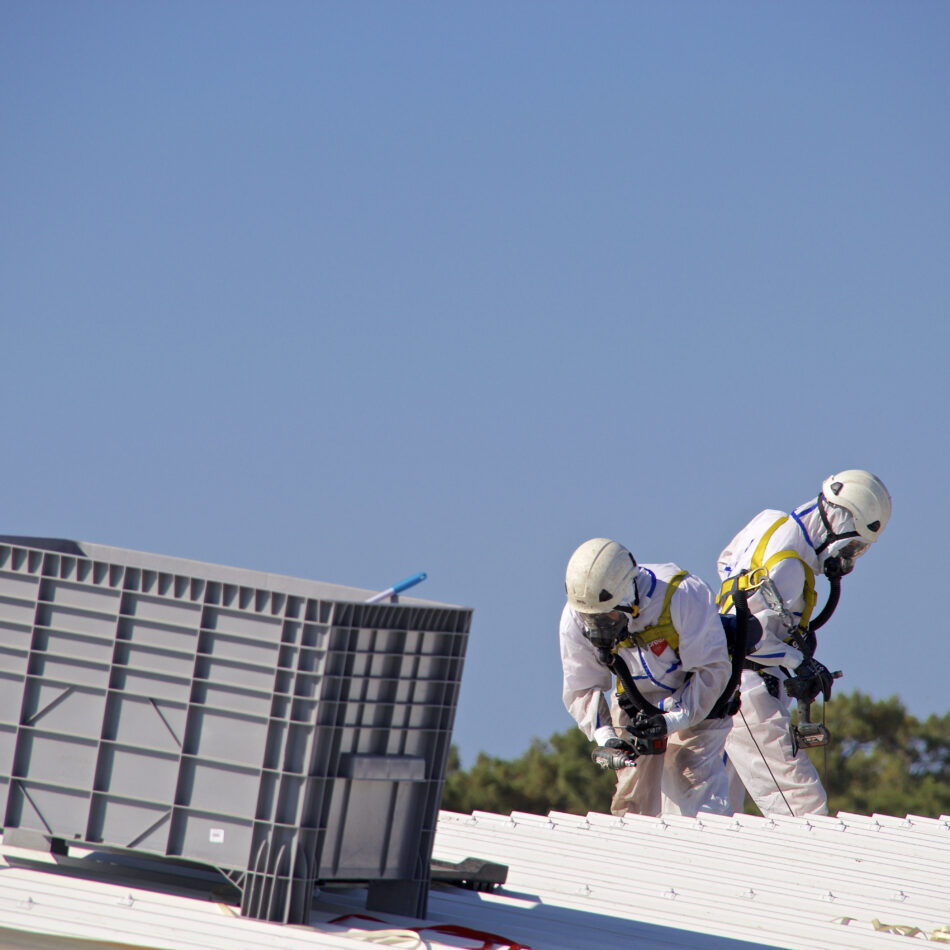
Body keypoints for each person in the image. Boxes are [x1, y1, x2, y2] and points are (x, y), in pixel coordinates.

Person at [716, 469, 892, 816]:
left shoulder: (769, 521)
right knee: (802, 808)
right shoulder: (790, 568)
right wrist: (798, 661)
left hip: (726, 681)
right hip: (746, 689)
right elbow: (748, 639)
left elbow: (725, 563)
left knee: (720, 809)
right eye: (853, 544)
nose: (850, 556)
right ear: (839, 520)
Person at [560, 537, 733, 817]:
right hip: (635, 702)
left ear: (627, 594)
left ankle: (705, 852)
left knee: (691, 778)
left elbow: (712, 671)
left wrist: (673, 720)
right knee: (631, 798)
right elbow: (582, 687)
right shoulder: (577, 614)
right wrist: (606, 736)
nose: (599, 627)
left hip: (698, 698)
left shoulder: (682, 595)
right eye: (591, 620)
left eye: (609, 617)